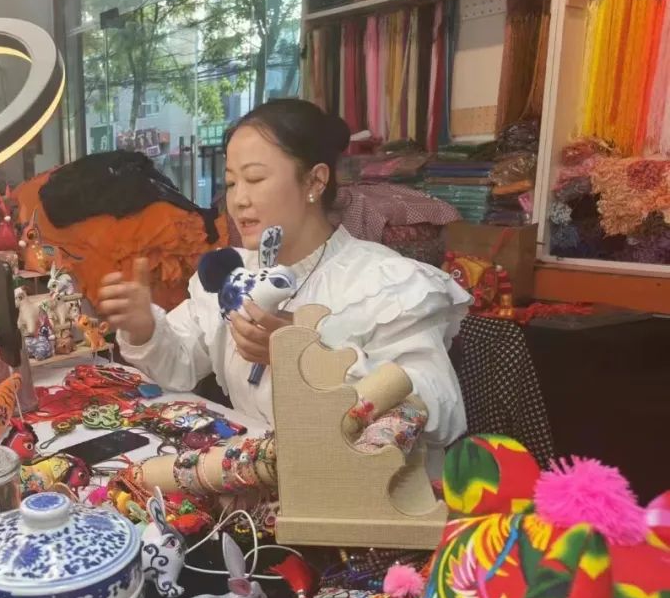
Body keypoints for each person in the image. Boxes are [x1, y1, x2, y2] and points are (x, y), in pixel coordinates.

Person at [98, 99, 471, 448]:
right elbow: (179, 365)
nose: (238, 200)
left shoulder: (385, 283)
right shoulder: (236, 273)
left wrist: (309, 359)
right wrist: (144, 326)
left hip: (351, 487)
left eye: (255, 179)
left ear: (314, 182)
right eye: (231, 182)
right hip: (254, 473)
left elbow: (439, 411)